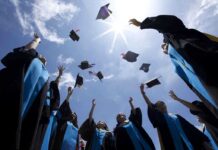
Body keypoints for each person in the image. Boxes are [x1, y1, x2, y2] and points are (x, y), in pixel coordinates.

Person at [129, 15, 218, 110]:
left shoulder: (179, 34)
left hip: (208, 58)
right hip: (206, 78)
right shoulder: (175, 56)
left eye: (164, 44)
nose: (163, 46)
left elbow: (167, 21)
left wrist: (143, 23)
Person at [0, 33, 49, 150]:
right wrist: (36, 40)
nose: (44, 58)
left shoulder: (44, 77)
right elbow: (27, 50)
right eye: (42, 57)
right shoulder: (31, 60)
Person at [140, 84, 212, 150]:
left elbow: (191, 128)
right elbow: (150, 106)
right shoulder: (160, 119)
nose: (162, 106)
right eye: (159, 105)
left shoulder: (176, 117)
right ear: (156, 109)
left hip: (188, 144)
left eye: (163, 104)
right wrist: (143, 94)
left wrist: (203, 141)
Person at [35, 65, 64, 150]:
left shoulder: (51, 92)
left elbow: (55, 84)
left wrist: (59, 75)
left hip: (46, 112)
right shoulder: (43, 86)